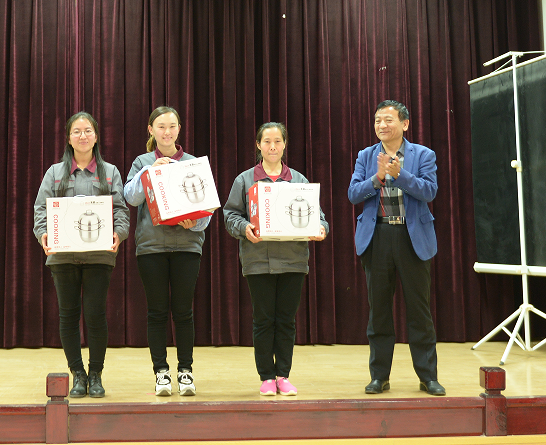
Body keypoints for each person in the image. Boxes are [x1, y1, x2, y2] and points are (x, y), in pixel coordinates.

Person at [347, 100, 445, 396]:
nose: (381, 125)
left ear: (404, 124)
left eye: (388, 120)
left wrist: (400, 174)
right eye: (378, 120)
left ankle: (428, 377)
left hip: (411, 238)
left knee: (419, 311)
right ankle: (379, 377)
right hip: (377, 237)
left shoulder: (423, 155)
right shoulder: (366, 155)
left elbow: (430, 191)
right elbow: (353, 194)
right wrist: (377, 178)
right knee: (378, 312)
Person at [223, 122, 328, 396]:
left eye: (277, 141)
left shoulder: (299, 180)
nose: (272, 146)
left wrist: (321, 228)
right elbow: (230, 215)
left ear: (285, 144)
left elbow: (318, 215)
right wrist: (244, 228)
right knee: (263, 320)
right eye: (267, 141)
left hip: (293, 261)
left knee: (286, 321)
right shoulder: (245, 180)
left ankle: (283, 375)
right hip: (258, 261)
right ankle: (267, 377)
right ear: (258, 145)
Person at [33, 111, 130, 398]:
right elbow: (40, 210)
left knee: (95, 315)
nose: (83, 136)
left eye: (88, 131)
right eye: (77, 131)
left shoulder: (110, 172)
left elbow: (121, 210)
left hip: (99, 256)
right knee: (68, 315)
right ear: (68, 138)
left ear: (96, 136)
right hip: (63, 257)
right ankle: (77, 373)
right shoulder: (54, 173)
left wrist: (119, 233)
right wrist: (43, 234)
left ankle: (96, 374)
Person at [124, 106, 211, 397]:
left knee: (184, 311)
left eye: (172, 126)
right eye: (161, 126)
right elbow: (131, 198)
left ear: (179, 129)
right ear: (151, 130)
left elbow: (207, 210)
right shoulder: (142, 162)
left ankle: (185, 371)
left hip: (187, 247)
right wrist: (150, 172)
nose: (167, 132)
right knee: (157, 311)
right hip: (151, 247)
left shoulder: (193, 163)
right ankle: (161, 372)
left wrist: (195, 222)